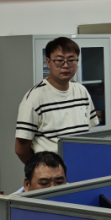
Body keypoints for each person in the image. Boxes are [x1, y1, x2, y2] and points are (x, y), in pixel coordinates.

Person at [15, 37, 97, 165]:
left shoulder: (82, 91)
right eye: (59, 60)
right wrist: (41, 169)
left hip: (82, 166)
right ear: (48, 62)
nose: (66, 65)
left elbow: (88, 133)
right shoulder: (34, 98)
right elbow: (21, 149)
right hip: (52, 173)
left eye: (71, 60)